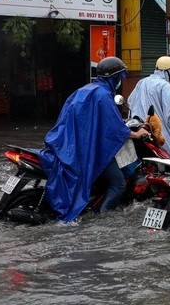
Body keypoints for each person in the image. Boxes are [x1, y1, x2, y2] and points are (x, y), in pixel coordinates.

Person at [40, 57, 150, 222]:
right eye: (120, 77)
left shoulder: (84, 90)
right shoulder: (103, 95)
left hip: (71, 145)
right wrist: (137, 134)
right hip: (92, 149)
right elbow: (114, 128)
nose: (121, 81)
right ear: (114, 78)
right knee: (118, 184)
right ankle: (103, 218)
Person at [128, 56, 170, 157]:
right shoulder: (164, 86)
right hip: (158, 130)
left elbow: (130, 101)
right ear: (169, 71)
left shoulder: (142, 82)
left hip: (140, 128)